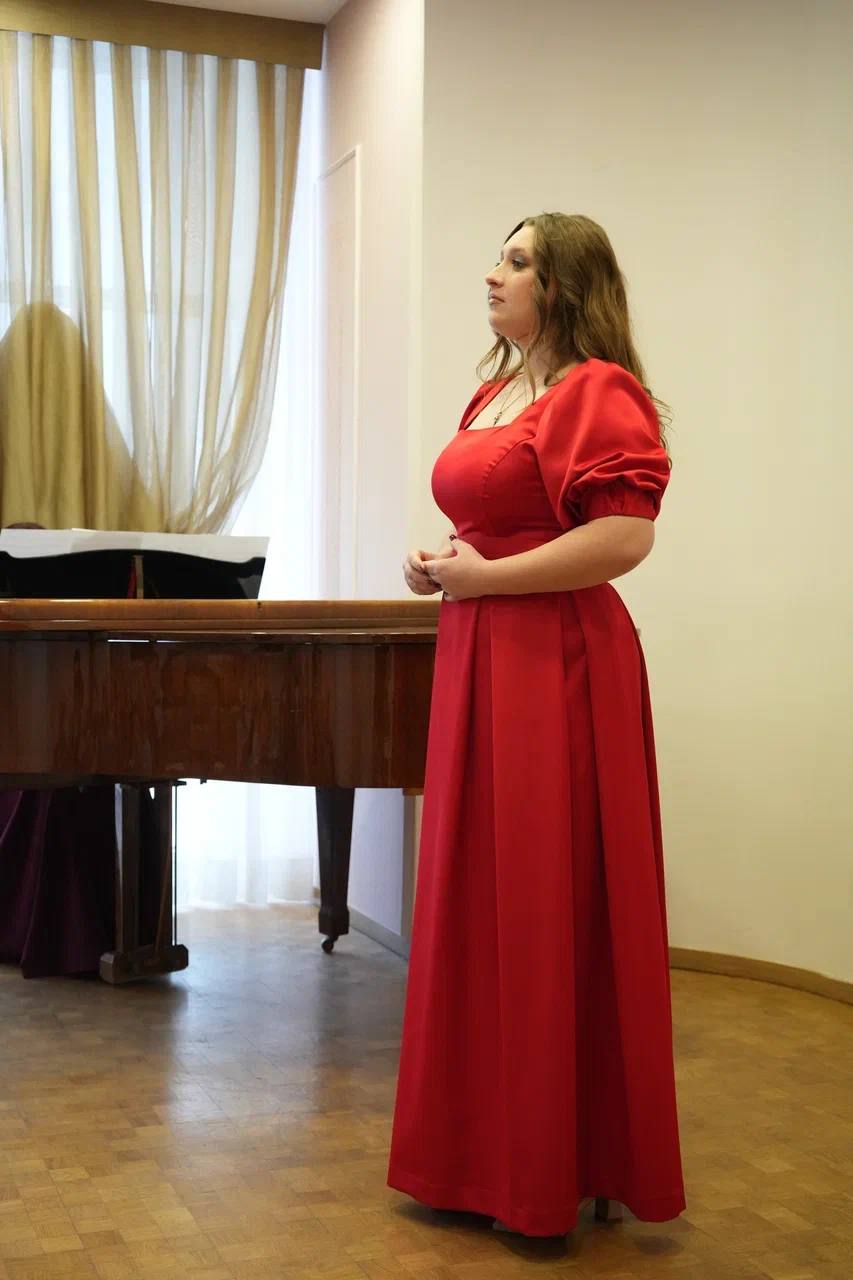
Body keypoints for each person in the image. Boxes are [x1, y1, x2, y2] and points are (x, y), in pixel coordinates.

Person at [387, 213, 686, 1237]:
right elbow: (493, 525)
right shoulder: (495, 392)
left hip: (554, 664)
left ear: (562, 285)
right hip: (480, 652)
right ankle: (471, 1157)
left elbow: (624, 536)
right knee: (477, 893)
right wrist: (440, 563)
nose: (492, 275)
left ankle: (551, 1166)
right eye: (499, 257)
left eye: (515, 261)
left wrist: (489, 579)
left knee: (543, 896)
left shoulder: (598, 389)